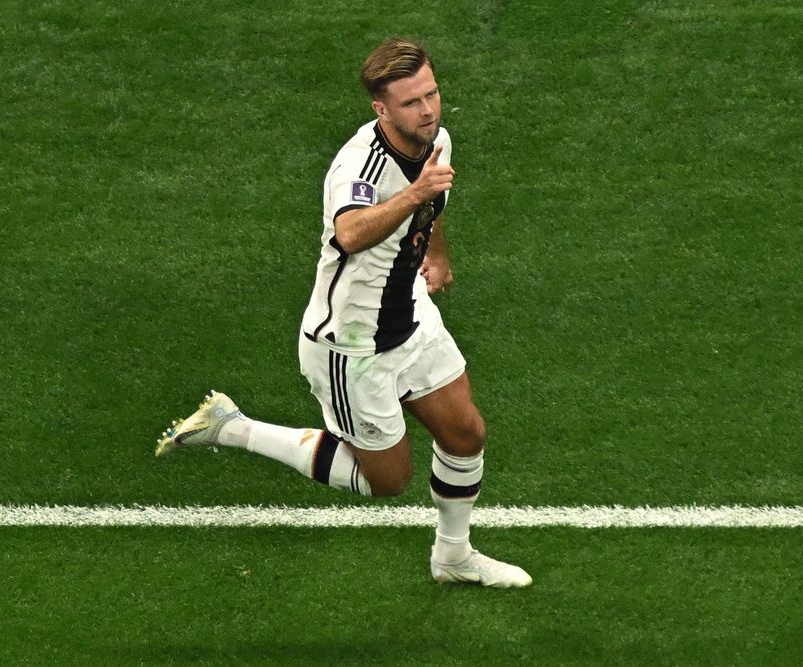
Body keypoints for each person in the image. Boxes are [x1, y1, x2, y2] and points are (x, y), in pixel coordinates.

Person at [156, 37, 531, 588]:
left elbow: (432, 199)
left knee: (465, 433)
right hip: (353, 345)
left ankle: (453, 557)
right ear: (381, 109)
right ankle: (231, 428)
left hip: (410, 313)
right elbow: (350, 232)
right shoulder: (358, 164)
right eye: (411, 103)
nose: (427, 110)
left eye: (432, 94)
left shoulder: (435, 140)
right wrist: (414, 194)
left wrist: (437, 253)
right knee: (386, 481)